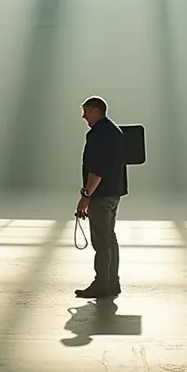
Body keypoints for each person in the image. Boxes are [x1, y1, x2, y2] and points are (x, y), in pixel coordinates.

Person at [75, 96, 127, 299]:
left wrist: (86, 195)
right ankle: (113, 282)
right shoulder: (115, 131)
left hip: (101, 195)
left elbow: (97, 170)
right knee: (110, 239)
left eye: (86, 111)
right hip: (114, 193)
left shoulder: (98, 134)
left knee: (102, 243)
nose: (84, 116)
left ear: (96, 110)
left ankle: (101, 285)